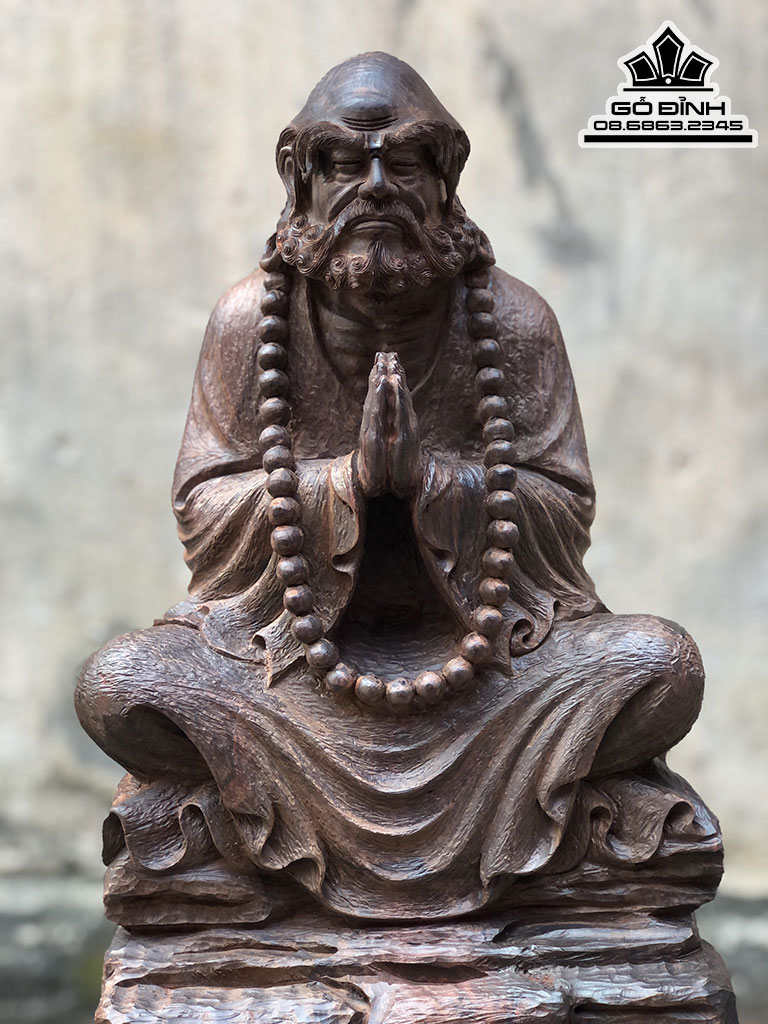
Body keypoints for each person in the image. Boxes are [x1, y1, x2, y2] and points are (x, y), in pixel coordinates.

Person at [76, 53, 720, 925]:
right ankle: (531, 828)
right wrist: (348, 484)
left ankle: (245, 834)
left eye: (404, 164)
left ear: (445, 179)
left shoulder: (514, 319)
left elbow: (564, 508)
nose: (375, 189)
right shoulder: (248, 321)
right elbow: (205, 508)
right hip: (292, 669)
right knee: (119, 685)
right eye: (345, 163)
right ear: (300, 178)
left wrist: (430, 483)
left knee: (661, 666)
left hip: (489, 669)